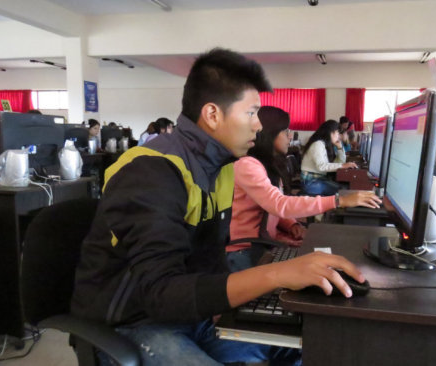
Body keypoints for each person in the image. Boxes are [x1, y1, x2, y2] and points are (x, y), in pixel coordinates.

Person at [71, 48, 366, 366]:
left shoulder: (223, 166)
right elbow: (160, 293)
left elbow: (209, 260)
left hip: (194, 315)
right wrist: (276, 273)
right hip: (133, 324)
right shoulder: (151, 171)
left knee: (306, 346)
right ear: (213, 115)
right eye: (251, 113)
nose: (258, 126)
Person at [227, 106, 381, 271]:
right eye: (286, 131)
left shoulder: (270, 165)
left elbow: (271, 209)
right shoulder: (247, 165)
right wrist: (339, 200)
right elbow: (278, 204)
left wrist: (292, 225)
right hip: (244, 252)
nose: (290, 136)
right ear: (269, 134)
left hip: (266, 244)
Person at [300, 120, 358, 196]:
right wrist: (343, 165)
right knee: (342, 192)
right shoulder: (318, 144)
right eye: (337, 133)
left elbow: (337, 164)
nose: (338, 136)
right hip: (310, 183)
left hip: (317, 180)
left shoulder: (324, 144)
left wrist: (340, 149)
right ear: (331, 132)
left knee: (343, 189)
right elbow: (322, 166)